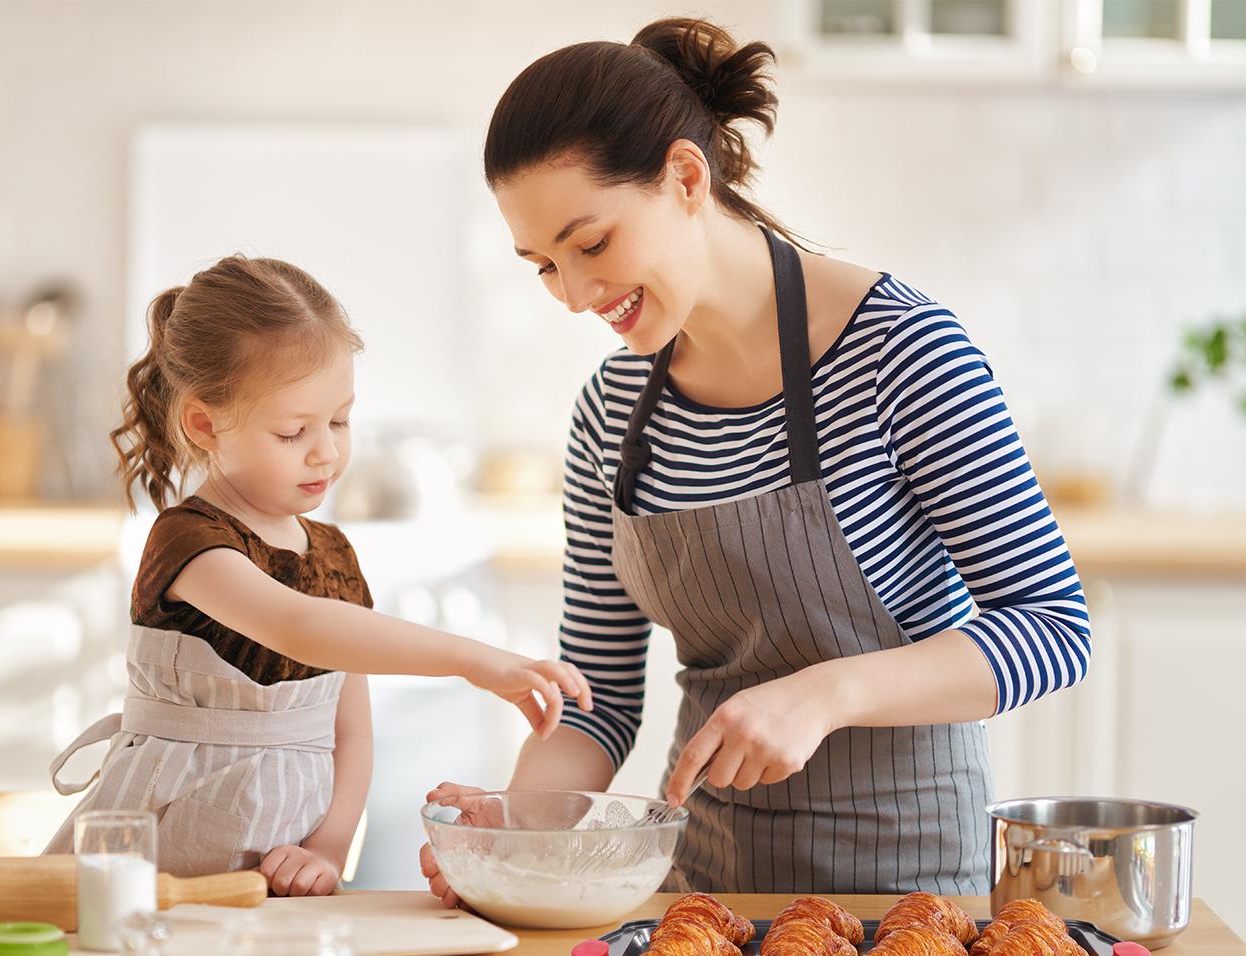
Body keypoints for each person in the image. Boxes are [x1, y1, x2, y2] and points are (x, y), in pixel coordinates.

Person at [422, 18, 1089, 899]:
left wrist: (824, 696)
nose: (576, 295)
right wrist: (510, 831)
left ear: (686, 178)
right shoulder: (612, 412)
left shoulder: (903, 352)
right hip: (704, 890)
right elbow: (602, 699)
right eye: (543, 265)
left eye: (591, 244)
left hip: (909, 894)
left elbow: (1051, 629)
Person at [44, 255, 591, 895]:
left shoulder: (334, 555)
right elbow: (298, 627)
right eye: (293, 430)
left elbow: (352, 733)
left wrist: (328, 849)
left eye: (339, 421)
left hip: (278, 883)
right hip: (156, 866)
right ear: (204, 423)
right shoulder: (191, 542)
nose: (326, 451)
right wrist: (476, 662)